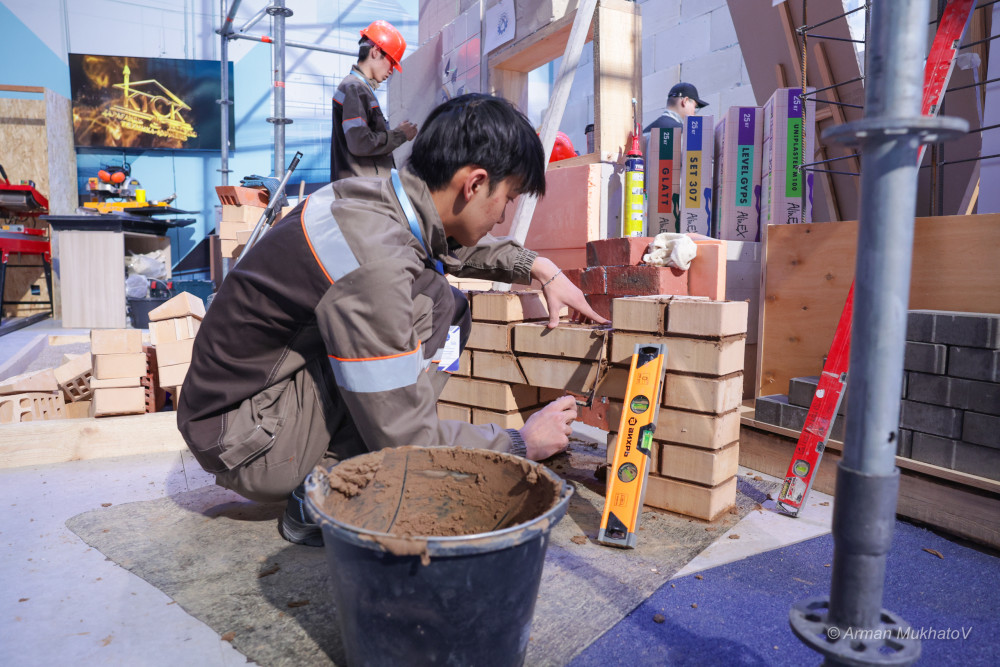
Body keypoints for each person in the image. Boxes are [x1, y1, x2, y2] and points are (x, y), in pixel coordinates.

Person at [179, 93, 608, 546]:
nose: (503, 218)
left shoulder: (370, 197)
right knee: (429, 305)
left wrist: (538, 267)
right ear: (475, 183)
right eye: (508, 199)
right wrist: (520, 444)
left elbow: (443, 245)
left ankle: (348, 456)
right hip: (248, 442)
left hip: (240, 405)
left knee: (440, 300)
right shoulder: (375, 264)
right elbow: (407, 434)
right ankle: (328, 491)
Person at [330, 20, 418, 182]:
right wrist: (400, 135)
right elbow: (359, 142)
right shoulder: (355, 88)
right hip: (362, 194)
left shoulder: (357, 88)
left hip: (361, 191)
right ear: (376, 51)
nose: (391, 71)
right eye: (391, 62)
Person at [643, 82, 709, 133]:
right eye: (695, 107)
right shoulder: (683, 133)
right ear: (685, 101)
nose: (694, 113)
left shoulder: (644, 132)